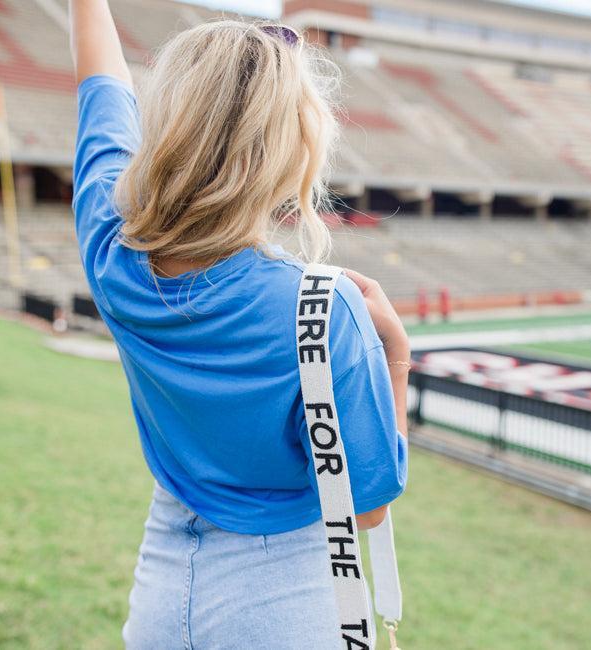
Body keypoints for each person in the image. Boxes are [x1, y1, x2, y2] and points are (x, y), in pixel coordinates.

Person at [68, 2, 410, 648]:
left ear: (163, 128)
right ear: (290, 153)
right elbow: (368, 508)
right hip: (287, 599)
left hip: (162, 593)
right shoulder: (324, 311)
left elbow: (101, 87)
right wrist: (396, 357)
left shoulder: (110, 250)